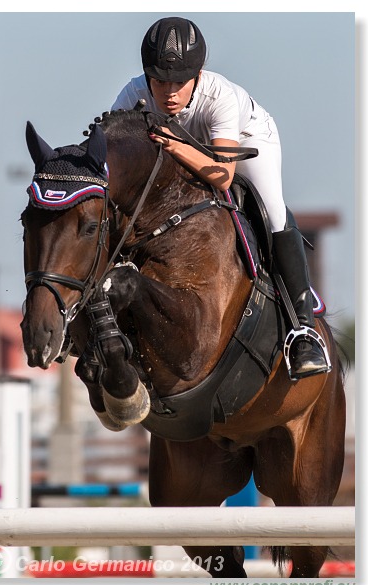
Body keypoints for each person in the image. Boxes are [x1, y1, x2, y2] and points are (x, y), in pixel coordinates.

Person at [111, 16, 329, 379]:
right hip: (184, 144)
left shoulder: (220, 96)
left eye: (179, 82)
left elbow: (222, 175)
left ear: (197, 75)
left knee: (272, 209)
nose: (169, 92)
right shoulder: (133, 94)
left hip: (245, 142)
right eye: (160, 80)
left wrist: (175, 146)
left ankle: (303, 330)